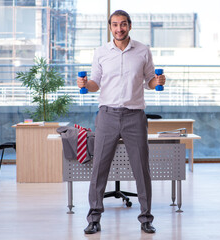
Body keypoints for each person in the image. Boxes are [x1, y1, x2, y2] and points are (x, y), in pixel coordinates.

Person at [77, 10, 165, 235]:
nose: (119, 29)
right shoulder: (101, 52)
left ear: (130, 26)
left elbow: (150, 81)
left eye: (123, 24)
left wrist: (159, 80)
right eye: (115, 25)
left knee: (141, 169)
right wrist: (85, 84)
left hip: (135, 116)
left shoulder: (143, 50)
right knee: (99, 169)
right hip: (107, 115)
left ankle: (146, 218)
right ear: (110, 27)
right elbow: (95, 83)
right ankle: (94, 218)